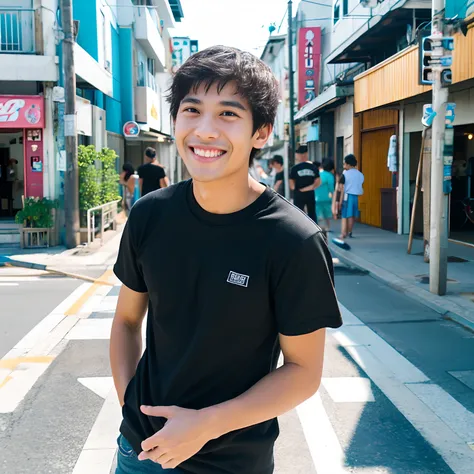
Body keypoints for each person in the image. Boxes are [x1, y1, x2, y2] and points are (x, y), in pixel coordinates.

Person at [111, 45, 342, 474]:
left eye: (229, 114)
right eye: (192, 110)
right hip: (139, 455)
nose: (205, 130)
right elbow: (126, 321)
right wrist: (133, 409)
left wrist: (204, 426)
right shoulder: (149, 215)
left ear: (261, 133)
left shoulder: (294, 240)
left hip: (234, 464)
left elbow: (304, 371)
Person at [289, 145, 320, 222]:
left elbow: (292, 185)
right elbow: (318, 182)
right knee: (312, 213)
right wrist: (309, 188)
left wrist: (299, 189)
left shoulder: (294, 169)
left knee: (298, 214)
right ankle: (314, 230)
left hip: (298, 194)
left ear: (300, 155)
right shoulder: (313, 167)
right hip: (310, 194)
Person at [337, 154, 364, 240]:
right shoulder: (360, 174)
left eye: (345, 164)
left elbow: (341, 188)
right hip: (355, 197)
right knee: (352, 215)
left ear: (348, 164)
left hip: (347, 196)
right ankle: (350, 232)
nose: (344, 166)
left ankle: (343, 233)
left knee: (345, 215)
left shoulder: (345, 174)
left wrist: (339, 201)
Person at [315, 158, 336, 233]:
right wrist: (334, 197)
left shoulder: (318, 174)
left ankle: (319, 227)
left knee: (318, 213)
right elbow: (331, 188)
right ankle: (327, 227)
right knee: (327, 214)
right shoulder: (330, 176)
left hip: (316, 197)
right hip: (327, 198)